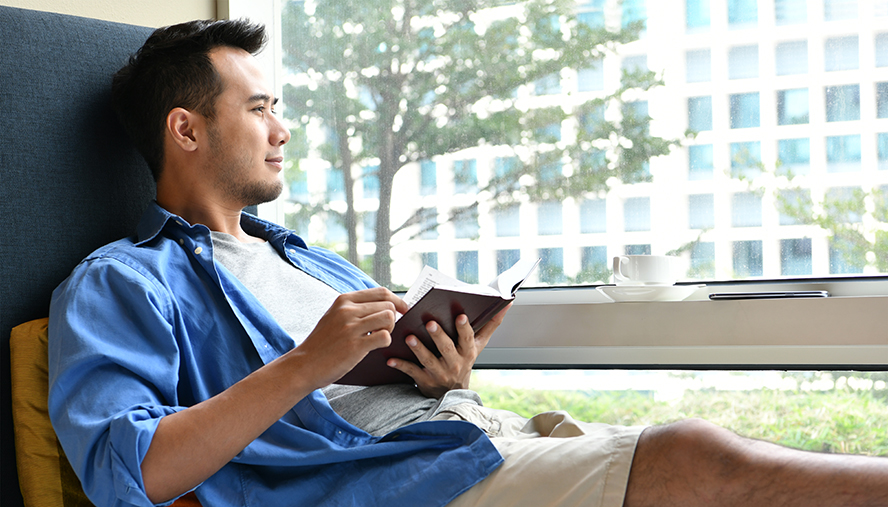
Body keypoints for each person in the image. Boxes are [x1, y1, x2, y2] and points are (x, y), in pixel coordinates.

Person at [47, 18, 887, 507]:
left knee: (725, 456)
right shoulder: (121, 279)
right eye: (261, 107)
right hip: (380, 482)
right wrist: (310, 363)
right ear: (186, 129)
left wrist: (443, 377)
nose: (283, 128)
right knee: (701, 458)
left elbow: (364, 391)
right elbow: (131, 469)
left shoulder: (312, 261)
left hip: (458, 434)